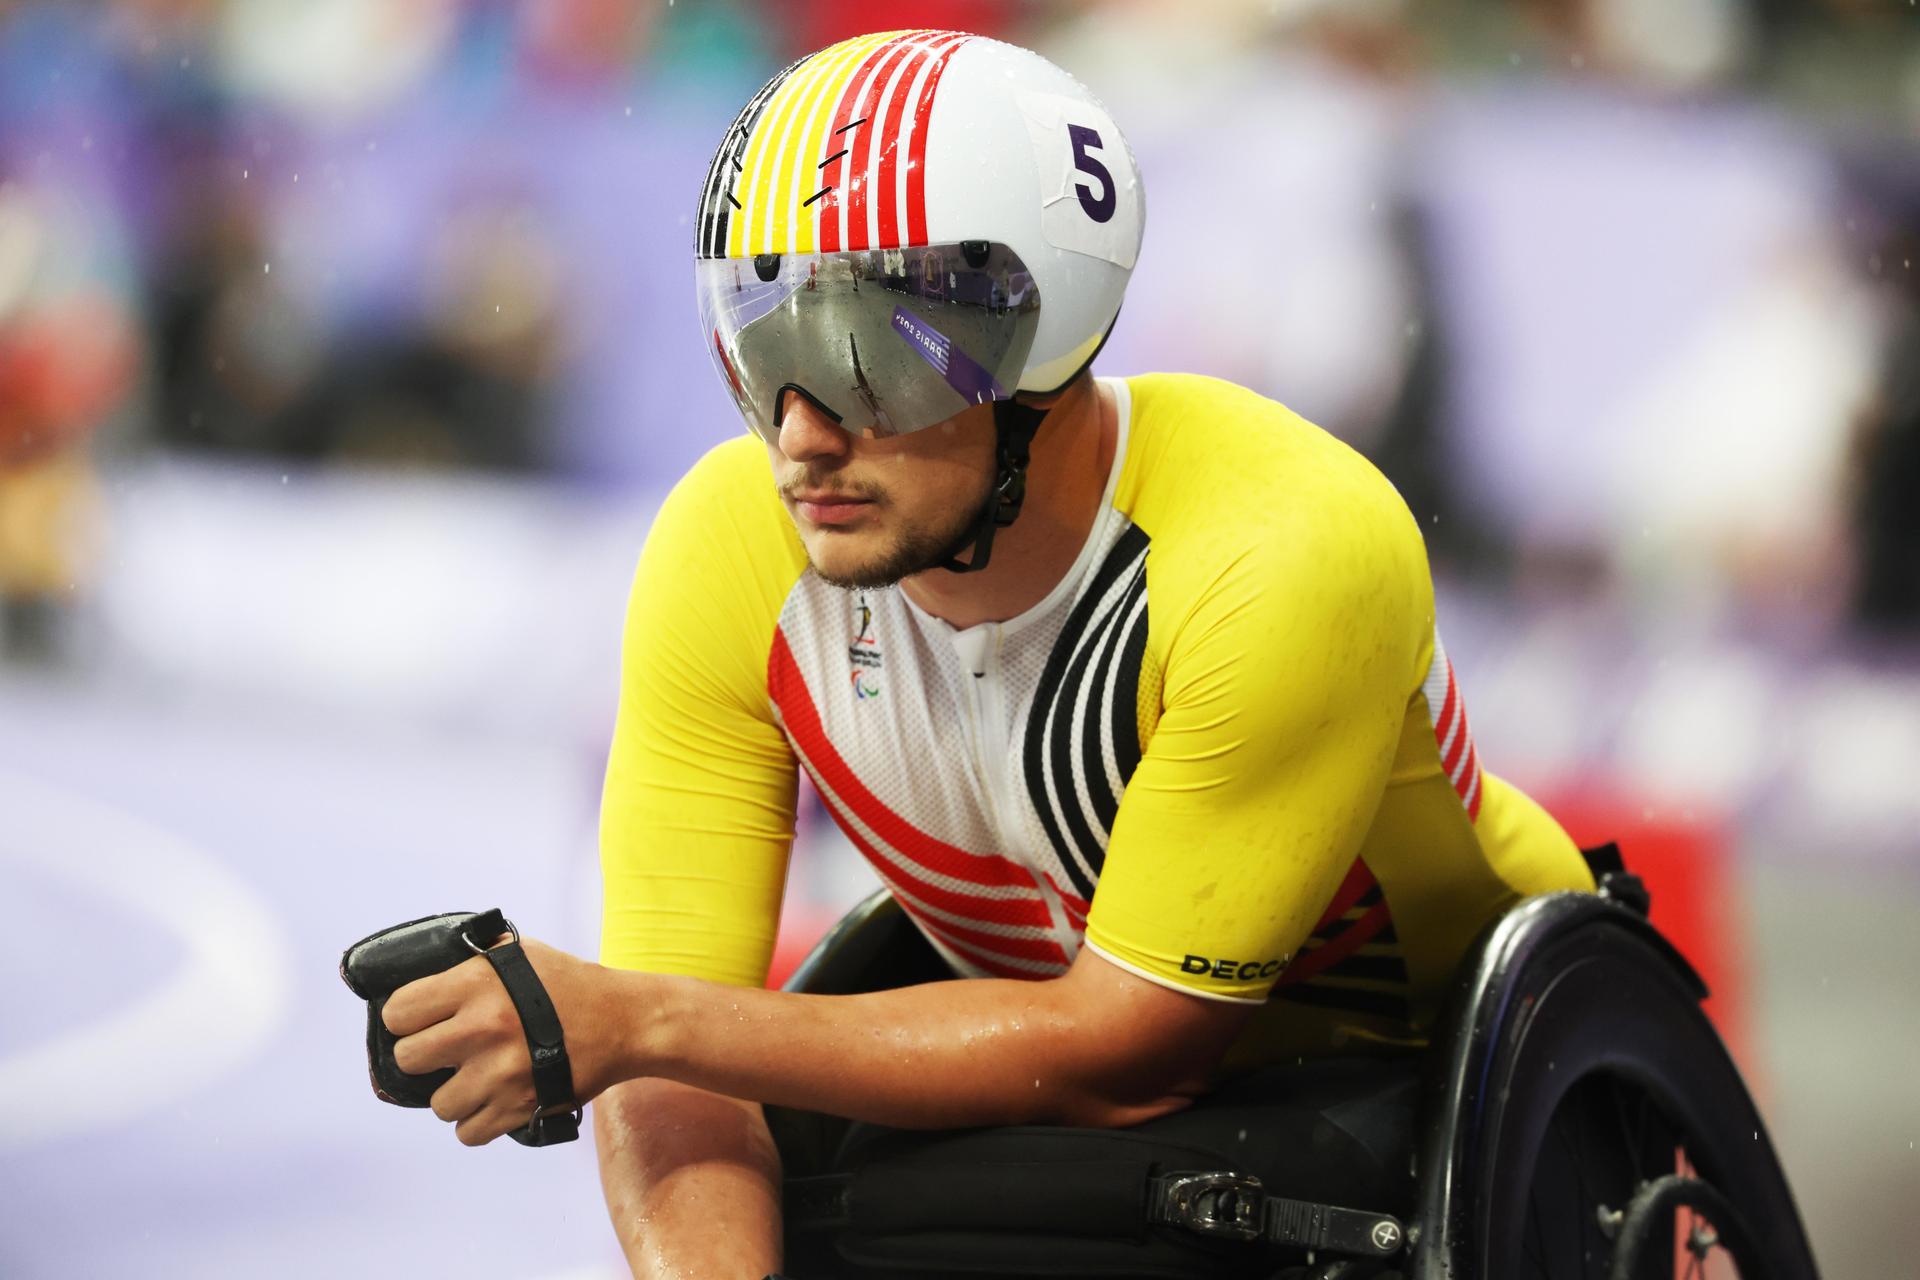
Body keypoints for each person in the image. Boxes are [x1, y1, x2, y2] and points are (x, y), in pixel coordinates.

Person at [379, 29, 1594, 1279]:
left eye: (859, 353)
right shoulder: (721, 544)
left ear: (1031, 336)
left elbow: (1125, 1058)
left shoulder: (1283, 545)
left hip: (1418, 1051)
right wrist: (644, 1033)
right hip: (1075, 1051)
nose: (800, 434)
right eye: (767, 346)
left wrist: (637, 1018)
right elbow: (665, 1070)